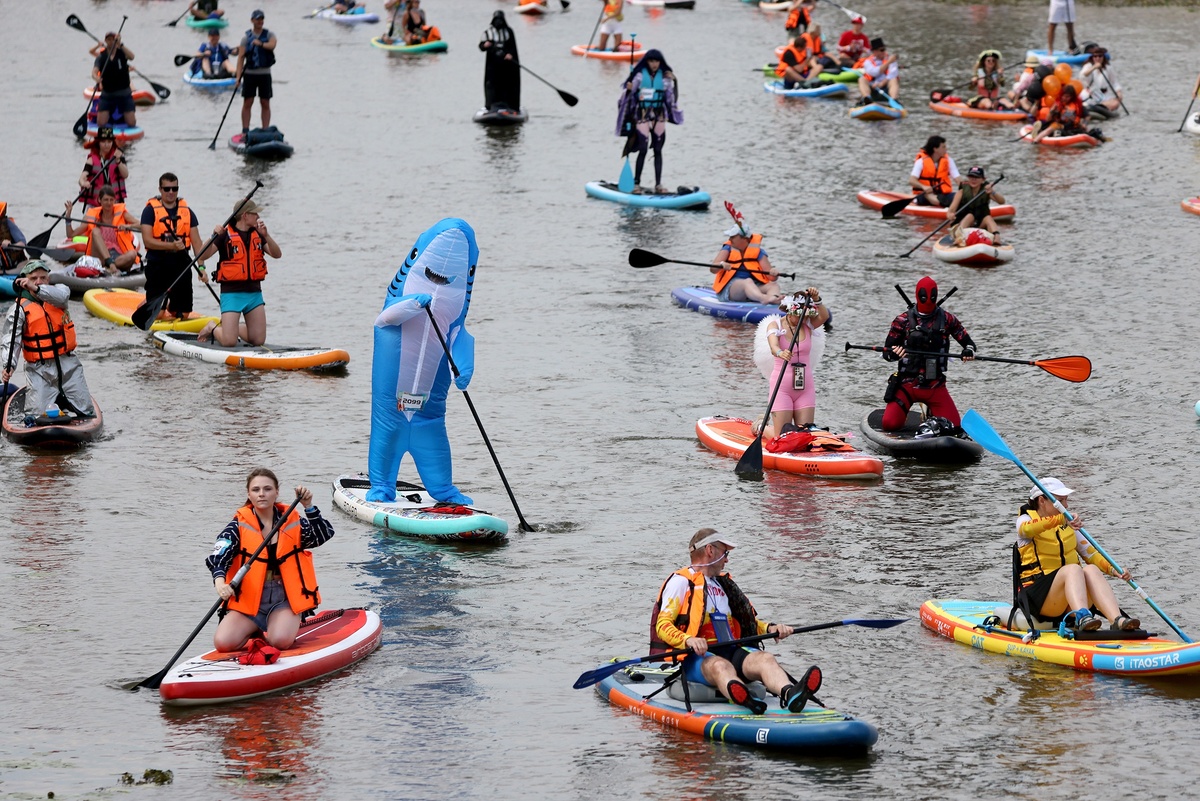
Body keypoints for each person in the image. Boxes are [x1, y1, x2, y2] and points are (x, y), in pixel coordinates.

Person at [650, 529, 818, 715]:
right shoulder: (681, 582)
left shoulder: (722, 584)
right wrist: (688, 640)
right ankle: (744, 698)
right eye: (725, 553)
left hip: (732, 650)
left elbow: (747, 623)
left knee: (765, 659)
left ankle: (790, 694)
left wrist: (771, 628)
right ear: (709, 550)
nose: (727, 560)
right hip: (698, 657)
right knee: (721, 666)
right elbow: (663, 625)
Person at [207, 469, 334, 652]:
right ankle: (255, 627)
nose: (261, 494)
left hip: (285, 597)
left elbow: (323, 535)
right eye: (256, 490)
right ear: (249, 495)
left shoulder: (293, 521)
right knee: (223, 643)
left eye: (267, 489)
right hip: (251, 598)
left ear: (276, 492)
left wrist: (308, 506)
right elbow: (218, 556)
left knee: (280, 642)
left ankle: (281, 625)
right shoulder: (237, 526)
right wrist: (220, 584)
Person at [1013, 477, 1138, 634]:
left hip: (1065, 600)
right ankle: (1083, 618)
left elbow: (1091, 555)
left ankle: (1117, 620)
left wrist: (1115, 570)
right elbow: (1025, 530)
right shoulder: (1025, 519)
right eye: (1060, 501)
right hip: (1036, 599)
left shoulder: (1068, 524)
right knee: (1072, 569)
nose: (1065, 506)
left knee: (1091, 569)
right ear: (1042, 500)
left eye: (1066, 500)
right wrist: (1060, 519)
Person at [0, 261, 95, 420]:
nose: (38, 281)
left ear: (48, 279)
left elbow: (62, 297)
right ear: (25, 280)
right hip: (40, 370)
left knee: (86, 411)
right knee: (34, 416)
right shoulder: (19, 309)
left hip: (69, 366)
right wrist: (9, 365)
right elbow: (11, 341)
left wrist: (36, 288)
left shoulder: (60, 293)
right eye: (34, 278)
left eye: (43, 277)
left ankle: (71, 405)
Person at [880, 276, 976, 431]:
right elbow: (886, 352)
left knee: (954, 428)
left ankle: (931, 411)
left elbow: (969, 343)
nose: (929, 300)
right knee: (889, 425)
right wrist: (894, 354)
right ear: (919, 295)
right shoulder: (902, 320)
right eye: (925, 296)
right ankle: (915, 410)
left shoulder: (947, 319)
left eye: (932, 296)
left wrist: (967, 351)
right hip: (906, 385)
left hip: (934, 386)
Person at [196, 198, 282, 347]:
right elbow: (202, 255)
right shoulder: (224, 235)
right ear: (245, 215)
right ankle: (212, 327)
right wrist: (212, 236)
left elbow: (277, 254)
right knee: (229, 341)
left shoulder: (258, 234)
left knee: (258, 340)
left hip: (254, 294)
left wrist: (266, 235)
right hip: (232, 294)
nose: (258, 217)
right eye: (255, 214)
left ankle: (232, 329)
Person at [615, 50, 683, 195]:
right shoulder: (639, 77)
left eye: (657, 61)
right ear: (647, 62)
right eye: (651, 61)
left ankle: (658, 185)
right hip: (642, 116)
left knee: (658, 150)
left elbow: (672, 100)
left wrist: (675, 81)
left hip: (659, 116)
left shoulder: (665, 79)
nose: (654, 64)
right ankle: (636, 184)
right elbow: (626, 99)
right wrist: (629, 89)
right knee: (643, 149)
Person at [764, 289, 829, 431]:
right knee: (783, 435)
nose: (802, 319)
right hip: (782, 387)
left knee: (804, 433)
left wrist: (817, 298)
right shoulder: (775, 325)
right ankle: (759, 427)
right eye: (798, 315)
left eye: (805, 316)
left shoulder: (808, 326)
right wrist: (780, 352)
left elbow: (824, 316)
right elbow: (773, 346)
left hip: (805, 386)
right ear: (789, 311)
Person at [141, 173, 203, 321]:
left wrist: (202, 268)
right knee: (159, 315)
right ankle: (150, 305)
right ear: (160, 189)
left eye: (174, 189)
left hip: (181, 265)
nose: (171, 192)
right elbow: (147, 241)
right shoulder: (149, 211)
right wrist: (171, 245)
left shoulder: (187, 212)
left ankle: (170, 305)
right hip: (158, 265)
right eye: (167, 189)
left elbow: (197, 243)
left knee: (183, 314)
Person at [64, 186, 141, 274]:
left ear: (115, 201)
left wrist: (128, 226)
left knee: (133, 254)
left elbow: (141, 225)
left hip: (117, 256)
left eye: (111, 200)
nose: (109, 203)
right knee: (95, 231)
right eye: (106, 200)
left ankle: (112, 266)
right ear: (99, 200)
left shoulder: (122, 214)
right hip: (98, 257)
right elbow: (71, 234)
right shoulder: (91, 216)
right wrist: (68, 218)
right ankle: (110, 265)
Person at [710, 222, 783, 304]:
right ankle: (764, 298)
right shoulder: (727, 248)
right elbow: (713, 269)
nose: (730, 239)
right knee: (747, 282)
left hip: (754, 287)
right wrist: (721, 264)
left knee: (773, 285)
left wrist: (774, 272)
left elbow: (771, 277)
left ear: (745, 239)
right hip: (731, 289)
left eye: (733, 237)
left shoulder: (759, 252)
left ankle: (774, 299)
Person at [236, 10, 277, 137]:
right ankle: (245, 130)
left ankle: (265, 129)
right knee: (248, 102)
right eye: (257, 19)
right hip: (249, 74)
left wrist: (261, 44)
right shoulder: (246, 38)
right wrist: (238, 78)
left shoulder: (269, 34)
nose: (260, 21)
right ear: (252, 20)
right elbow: (241, 57)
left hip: (264, 75)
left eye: (262, 19)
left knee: (265, 102)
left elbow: (272, 45)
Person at [945, 166, 1005, 246]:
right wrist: (950, 215)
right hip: (963, 226)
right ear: (968, 178)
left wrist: (993, 192)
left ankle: (996, 237)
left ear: (983, 179)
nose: (973, 180)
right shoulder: (962, 192)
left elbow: (1002, 201)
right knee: (970, 216)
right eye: (971, 177)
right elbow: (950, 211)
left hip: (979, 226)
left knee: (988, 218)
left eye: (977, 177)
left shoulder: (986, 191)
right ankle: (959, 238)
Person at [93, 31, 137, 129]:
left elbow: (132, 57)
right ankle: (108, 128)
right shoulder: (101, 57)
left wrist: (120, 44)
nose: (111, 42)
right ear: (106, 41)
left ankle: (122, 124)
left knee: (131, 123)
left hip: (124, 93)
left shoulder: (122, 53)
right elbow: (94, 72)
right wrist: (96, 78)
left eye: (113, 40)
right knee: (101, 123)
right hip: (107, 94)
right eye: (108, 40)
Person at [479, 11, 520, 113]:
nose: (498, 22)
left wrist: (510, 55)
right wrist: (485, 45)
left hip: (507, 66)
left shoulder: (508, 32)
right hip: (492, 66)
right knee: (492, 84)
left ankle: (510, 105)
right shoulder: (488, 33)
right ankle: (491, 105)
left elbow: (512, 47)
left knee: (507, 84)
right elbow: (481, 46)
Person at [77, 127, 128, 208]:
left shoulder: (119, 155)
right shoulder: (91, 160)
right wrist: (84, 183)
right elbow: (81, 178)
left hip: (115, 201)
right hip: (95, 203)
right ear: (98, 143)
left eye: (109, 141)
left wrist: (118, 161)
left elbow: (125, 175)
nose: (106, 145)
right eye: (103, 141)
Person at [1033, 83, 1099, 142]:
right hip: (1060, 125)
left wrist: (1084, 124)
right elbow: (1048, 119)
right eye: (1064, 96)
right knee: (1050, 128)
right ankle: (1035, 140)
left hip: (1073, 126)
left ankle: (1092, 138)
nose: (1065, 98)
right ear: (1061, 95)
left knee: (1086, 129)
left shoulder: (1077, 105)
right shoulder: (1057, 104)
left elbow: (1087, 116)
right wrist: (1052, 110)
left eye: (1068, 97)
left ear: (1072, 97)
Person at [909, 136, 959, 208]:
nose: (946, 149)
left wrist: (966, 190)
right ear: (935, 149)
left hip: (943, 194)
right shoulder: (921, 162)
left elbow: (957, 178)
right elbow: (912, 180)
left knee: (959, 197)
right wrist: (924, 187)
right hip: (924, 194)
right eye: (943, 147)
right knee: (936, 201)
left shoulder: (948, 160)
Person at [1079, 48, 1121, 119]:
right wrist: (1094, 68)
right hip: (1091, 95)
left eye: (1100, 56)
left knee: (1116, 103)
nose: (1097, 58)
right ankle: (1095, 107)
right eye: (1095, 56)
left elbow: (1114, 83)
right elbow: (1083, 75)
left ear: (1103, 57)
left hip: (1103, 96)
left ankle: (1101, 107)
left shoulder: (1108, 68)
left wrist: (1119, 92)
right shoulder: (1088, 66)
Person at [855, 38, 899, 104]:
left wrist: (882, 83)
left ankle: (893, 100)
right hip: (872, 86)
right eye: (882, 50)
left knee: (894, 80)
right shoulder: (868, 62)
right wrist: (888, 62)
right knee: (862, 79)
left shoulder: (890, 59)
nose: (884, 52)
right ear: (875, 52)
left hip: (886, 85)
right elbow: (874, 72)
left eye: (884, 49)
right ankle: (867, 98)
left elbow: (893, 73)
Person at [0, 202, 28, 274]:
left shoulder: (7, 223)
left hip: (14, 266)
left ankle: (7, 272)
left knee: (28, 265)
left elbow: (22, 244)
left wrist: (11, 245)